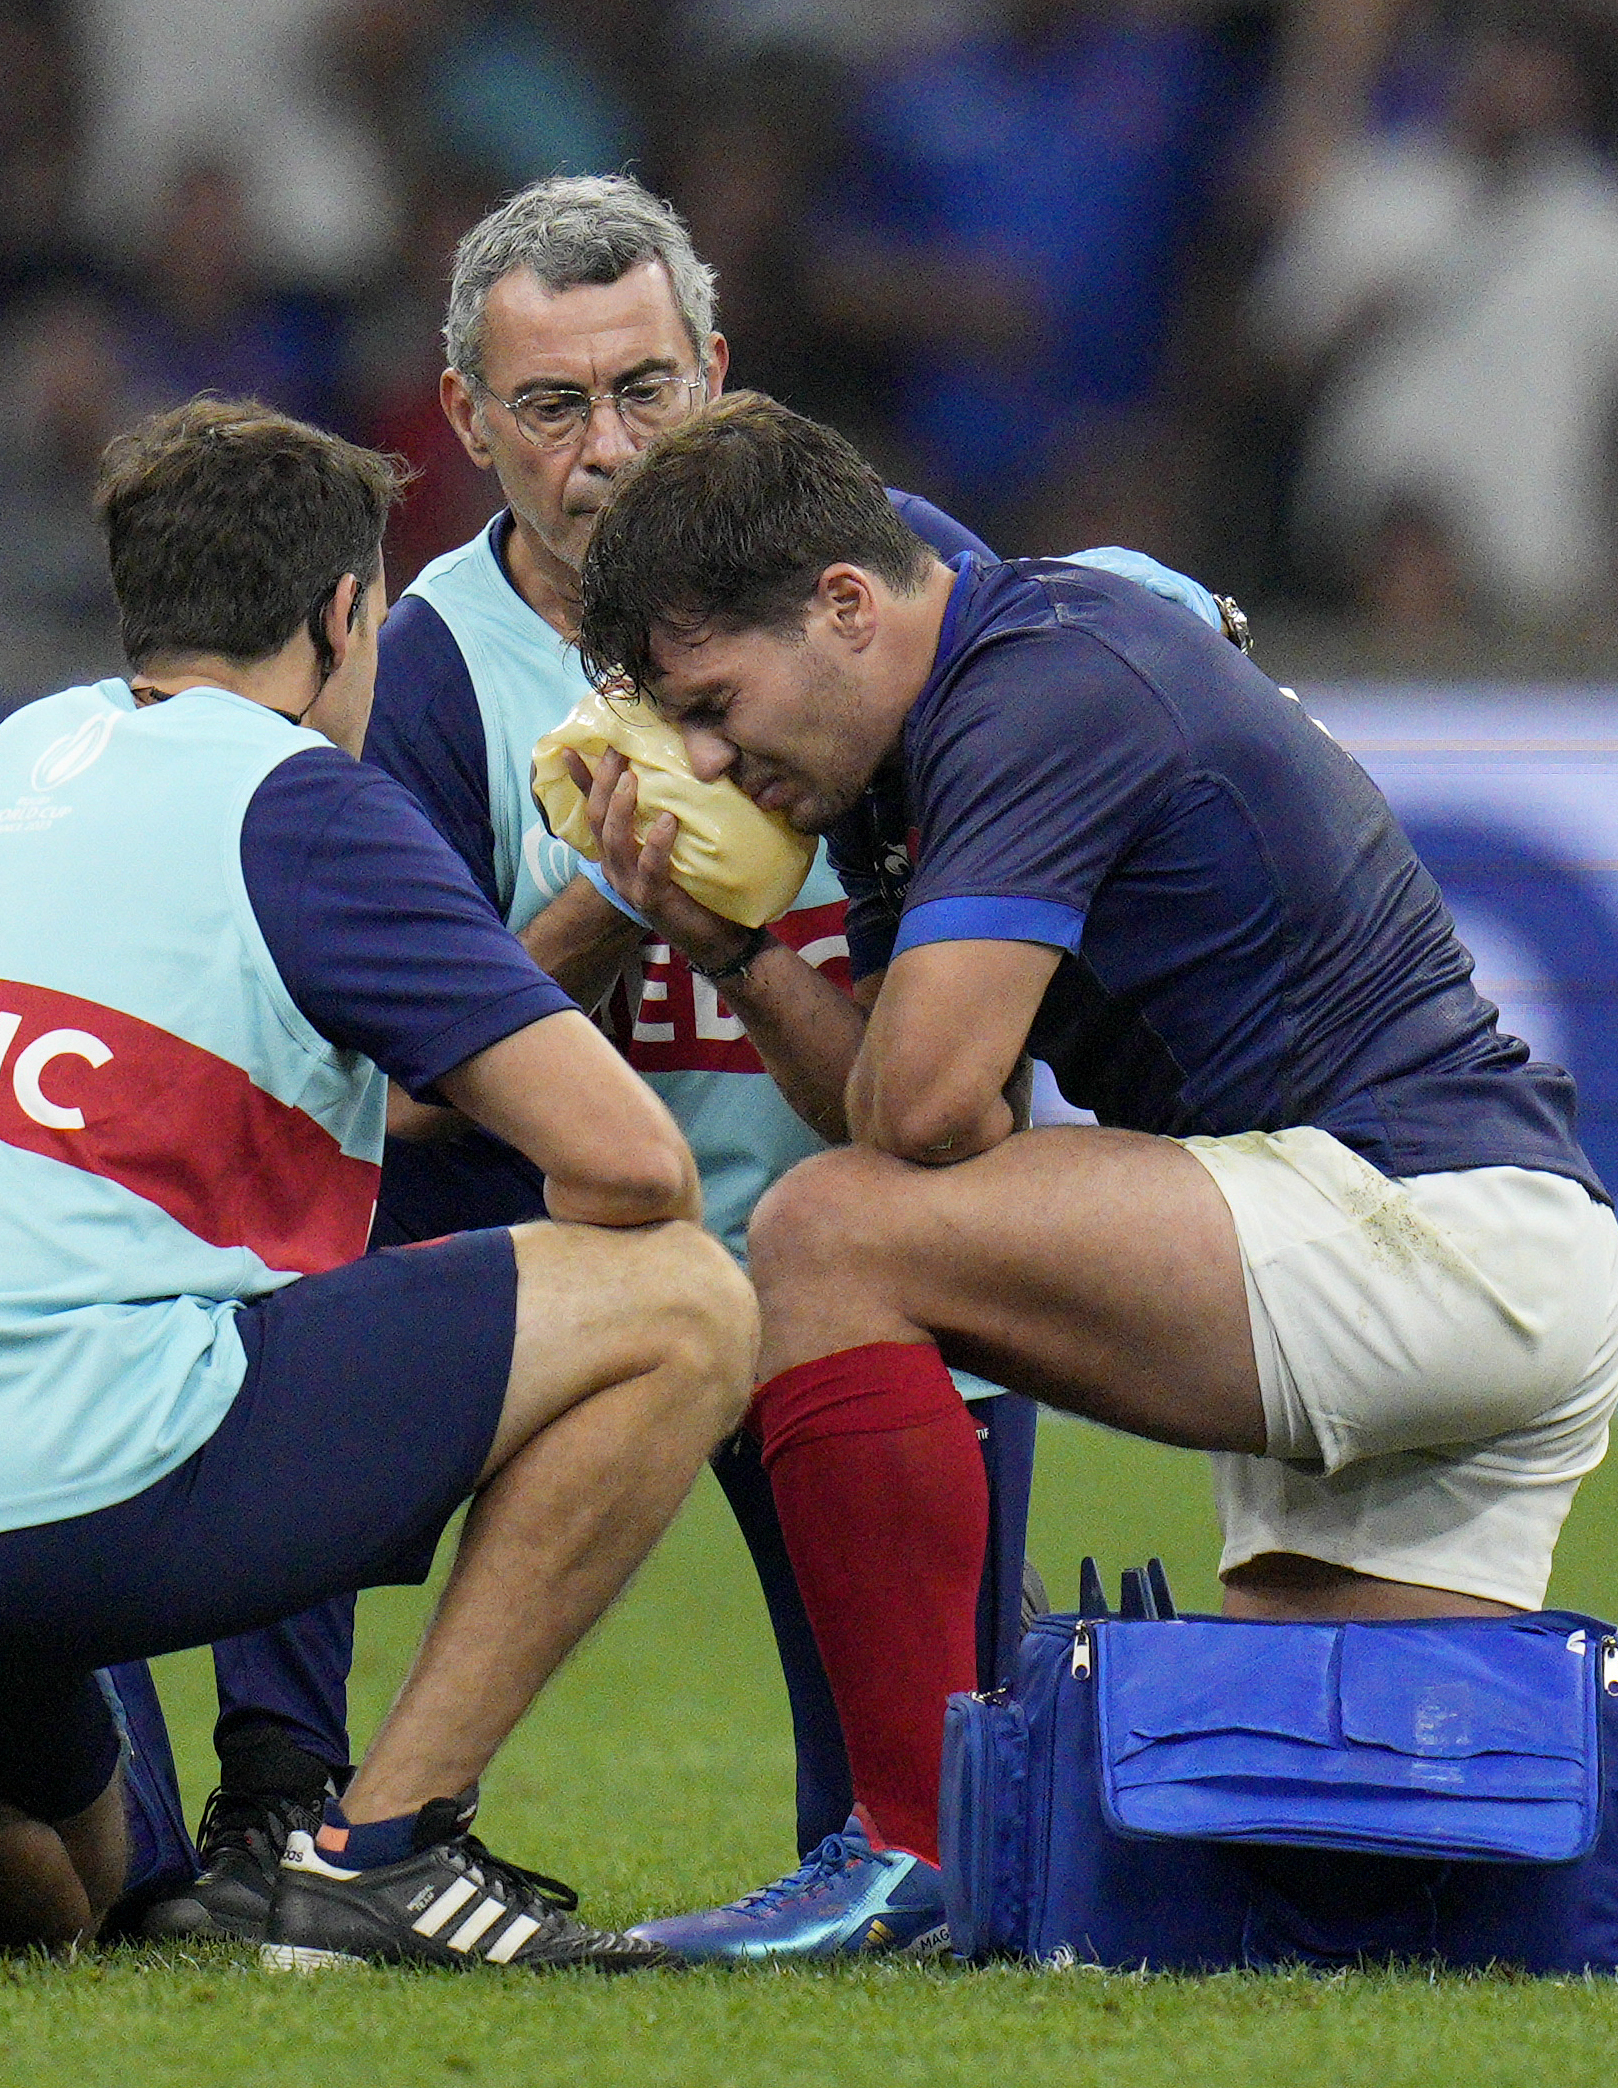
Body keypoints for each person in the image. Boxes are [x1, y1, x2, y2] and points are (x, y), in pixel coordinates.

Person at [570, 393, 1618, 1965]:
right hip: (1460, 1243)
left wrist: (730, 937)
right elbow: (955, 1130)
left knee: (824, 1236)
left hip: (1419, 1221)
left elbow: (913, 1125)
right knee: (1326, 1843)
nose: (714, 764)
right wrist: (721, 940)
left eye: (716, 708)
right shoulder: (929, 737)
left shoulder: (1037, 681)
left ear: (847, 606)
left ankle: (908, 1856)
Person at [149, 175, 1235, 1957]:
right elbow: (385, 1092)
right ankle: (285, 1798)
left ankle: (1013, 1713)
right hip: (578, 1276)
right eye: (556, 406)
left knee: (932, 1862)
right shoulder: (428, 675)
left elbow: (1076, 666)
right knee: (297, 1272)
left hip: (870, 1272)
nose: (608, 451)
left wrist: (1171, 619)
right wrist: (613, 904)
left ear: (719, 371)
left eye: (647, 389)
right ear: (468, 426)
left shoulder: (867, 577)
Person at [0, 397, 754, 1971]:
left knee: (90, 1875)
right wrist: (469, 1375)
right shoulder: (302, 801)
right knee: (683, 1300)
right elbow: (632, 1162)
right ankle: (385, 1854)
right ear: (341, 613)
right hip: (58, 1477)